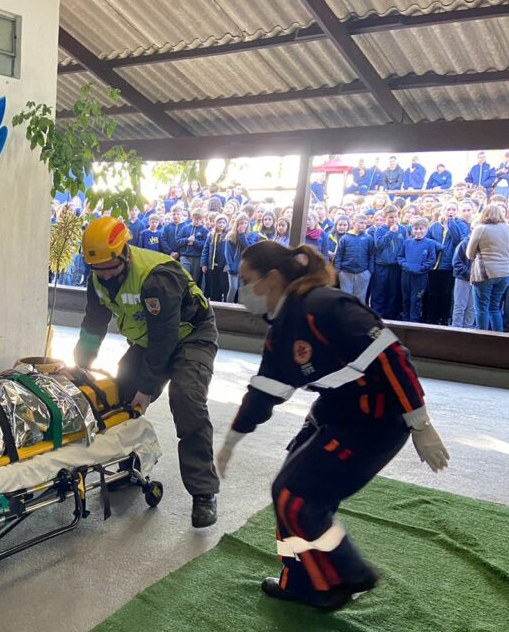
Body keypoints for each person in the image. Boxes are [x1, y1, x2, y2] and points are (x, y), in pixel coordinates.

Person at [215, 242, 449, 610]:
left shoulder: (324, 306)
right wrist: (232, 439)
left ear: (271, 278)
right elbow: (264, 392)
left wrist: (419, 424)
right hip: (337, 411)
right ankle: (298, 580)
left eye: (246, 280)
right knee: (288, 496)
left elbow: (392, 358)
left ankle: (345, 575)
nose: (241, 289)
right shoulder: (282, 329)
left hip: (377, 419)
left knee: (296, 498)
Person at [74, 217, 220, 527]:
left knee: (186, 397)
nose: (105, 275)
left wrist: (147, 388)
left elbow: (164, 340)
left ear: (124, 253)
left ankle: (203, 493)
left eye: (110, 267)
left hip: (190, 336)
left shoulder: (157, 278)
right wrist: (81, 364)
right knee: (118, 393)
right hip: (148, 340)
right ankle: (130, 467)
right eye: (97, 269)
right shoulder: (98, 278)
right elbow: (93, 323)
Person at [466, 203, 509, 331]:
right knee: (494, 307)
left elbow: (469, 254)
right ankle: (498, 336)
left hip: (484, 273)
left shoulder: (480, 228)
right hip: (504, 273)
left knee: (481, 308)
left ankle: (481, 336)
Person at [399, 219, 439, 323]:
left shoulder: (430, 243)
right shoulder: (407, 242)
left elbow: (431, 260)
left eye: (421, 229)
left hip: (420, 277)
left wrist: (419, 268)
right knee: (406, 299)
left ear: (426, 229)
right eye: (416, 229)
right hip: (406, 275)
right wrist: (406, 266)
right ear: (412, 229)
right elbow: (400, 257)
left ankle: (414, 322)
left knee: (416, 300)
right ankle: (404, 321)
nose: (418, 231)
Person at [334, 215, 374, 305]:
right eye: (361, 223)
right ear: (354, 223)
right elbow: (339, 255)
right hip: (346, 272)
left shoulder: (368, 238)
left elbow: (371, 255)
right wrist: (339, 271)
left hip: (363, 272)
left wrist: (369, 271)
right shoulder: (345, 238)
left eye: (365, 223)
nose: (363, 225)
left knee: (360, 299)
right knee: (346, 297)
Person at [201, 214, 230, 301]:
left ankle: (226, 304)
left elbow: (230, 252)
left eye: (223, 222)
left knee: (224, 286)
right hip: (213, 266)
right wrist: (203, 263)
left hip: (223, 267)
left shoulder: (229, 235)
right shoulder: (211, 235)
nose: (221, 224)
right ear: (216, 223)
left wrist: (227, 264)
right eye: (219, 222)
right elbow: (205, 249)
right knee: (214, 287)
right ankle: (215, 303)